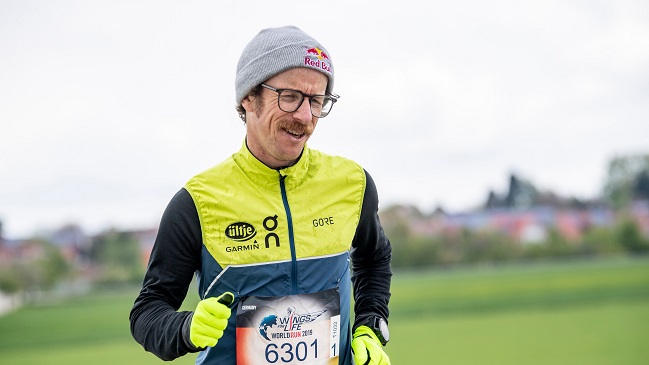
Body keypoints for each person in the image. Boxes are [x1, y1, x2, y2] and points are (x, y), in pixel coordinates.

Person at [129, 25, 392, 365]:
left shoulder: (352, 184)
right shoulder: (197, 202)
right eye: (291, 97)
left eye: (317, 100)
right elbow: (147, 313)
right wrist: (186, 327)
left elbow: (374, 260)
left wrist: (369, 325)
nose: (305, 116)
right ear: (249, 97)